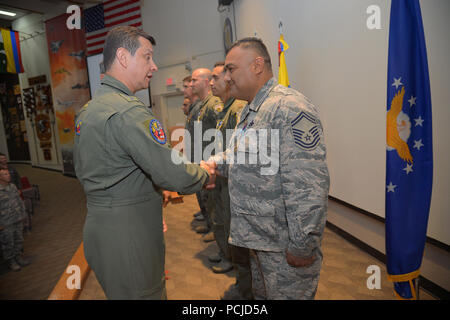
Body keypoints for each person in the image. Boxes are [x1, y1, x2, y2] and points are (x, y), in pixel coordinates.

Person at [73, 26, 215, 300]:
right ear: (124, 57)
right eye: (147, 57)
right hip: (129, 236)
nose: (154, 66)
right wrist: (204, 174)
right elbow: (172, 172)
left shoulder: (89, 110)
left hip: (99, 228)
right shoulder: (129, 111)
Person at [207, 38, 330, 300]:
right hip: (258, 240)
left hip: (283, 246)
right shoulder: (251, 111)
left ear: (257, 65)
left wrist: (302, 244)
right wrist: (214, 163)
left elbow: (308, 186)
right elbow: (243, 158)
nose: (227, 77)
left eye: (231, 69)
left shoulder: (288, 108)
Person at [209, 61, 253, 298]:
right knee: (228, 225)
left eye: (217, 77)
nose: (213, 82)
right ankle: (243, 283)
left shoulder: (238, 109)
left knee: (239, 235)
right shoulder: (226, 108)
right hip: (225, 174)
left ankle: (245, 288)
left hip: (237, 182)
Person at [189, 68, 223, 234]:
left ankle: (218, 238)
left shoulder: (214, 104)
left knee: (214, 203)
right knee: (207, 201)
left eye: (194, 80)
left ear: (205, 81)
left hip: (212, 163)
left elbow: (221, 133)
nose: (191, 84)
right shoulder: (202, 105)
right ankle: (212, 229)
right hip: (202, 160)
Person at [0, 168, 31, 272]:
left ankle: (18, 258)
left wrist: (23, 214)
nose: (8, 176)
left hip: (17, 219)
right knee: (8, 243)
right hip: (5, 222)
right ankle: (11, 262)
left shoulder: (12, 187)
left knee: (19, 240)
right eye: (5, 174)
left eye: (8, 173)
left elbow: (19, 201)